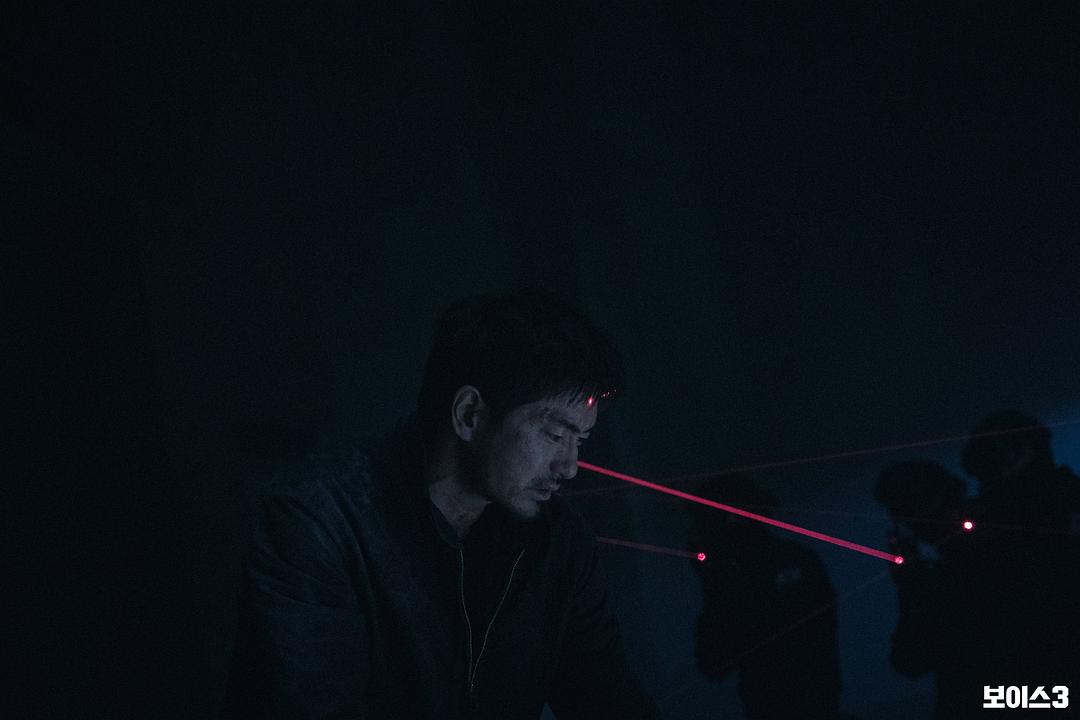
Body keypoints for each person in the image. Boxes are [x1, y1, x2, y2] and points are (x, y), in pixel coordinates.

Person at [221, 288, 662, 719]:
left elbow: (608, 697)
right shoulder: (318, 523)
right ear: (470, 414)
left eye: (580, 440)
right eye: (554, 434)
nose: (570, 466)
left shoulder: (559, 545)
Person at [690, 475, 845, 720]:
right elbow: (714, 664)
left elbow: (717, 663)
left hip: (803, 706)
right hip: (790, 705)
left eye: (708, 526)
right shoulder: (790, 562)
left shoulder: (789, 566)